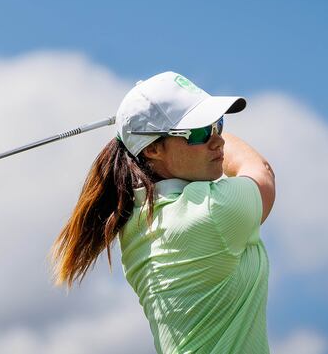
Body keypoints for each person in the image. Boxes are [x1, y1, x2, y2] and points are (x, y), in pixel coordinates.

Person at [51, 71, 275, 353]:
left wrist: (143, 131)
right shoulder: (210, 213)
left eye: (219, 124)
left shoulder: (135, 217)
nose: (218, 141)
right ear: (153, 149)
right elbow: (260, 172)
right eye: (199, 132)